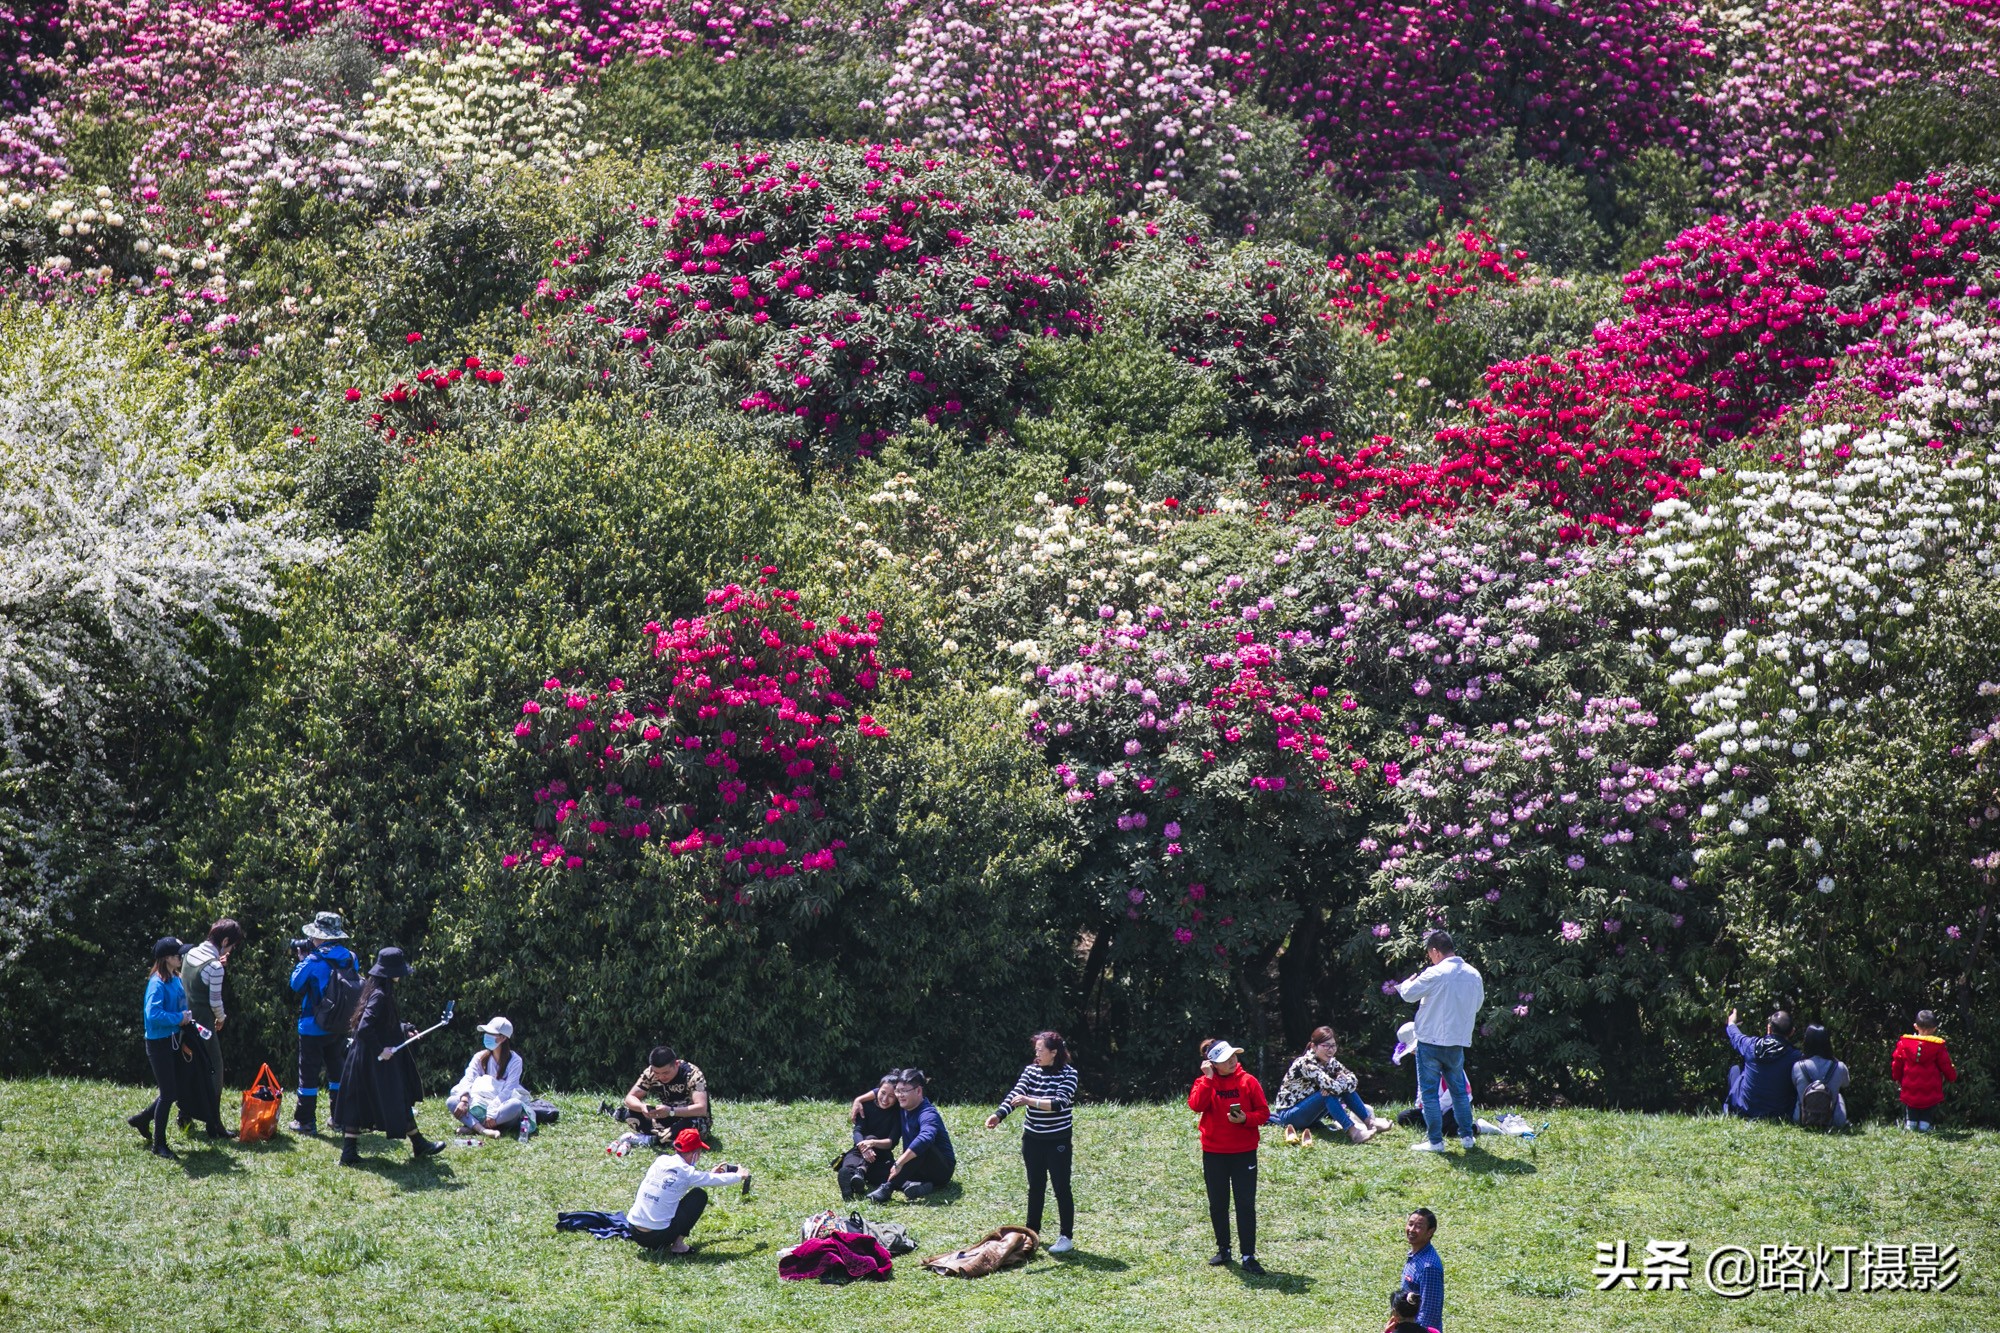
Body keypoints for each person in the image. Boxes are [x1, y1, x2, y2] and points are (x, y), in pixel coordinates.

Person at [329, 947, 446, 1165]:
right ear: (391, 971)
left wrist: (405, 1028)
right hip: (374, 1059)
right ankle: (418, 1143)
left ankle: (349, 1153)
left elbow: (383, 1025)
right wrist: (381, 1050)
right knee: (396, 1097)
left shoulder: (377, 991)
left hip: (363, 1057)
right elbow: (365, 1028)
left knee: (358, 1101)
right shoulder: (380, 995)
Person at [986, 1031, 1081, 1253]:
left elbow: (1059, 1103)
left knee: (1061, 1188)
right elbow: (1016, 1093)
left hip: (1058, 1141)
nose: (1036, 1054)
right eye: (1036, 1050)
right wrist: (999, 1114)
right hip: (1032, 1140)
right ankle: (1031, 1234)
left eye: (1040, 1050)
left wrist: (1029, 1101)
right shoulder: (1031, 1071)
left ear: (1054, 1053)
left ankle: (1066, 1237)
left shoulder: (1069, 1074)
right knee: (1035, 1187)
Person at [1395, 930, 1485, 1153]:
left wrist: (1407, 982)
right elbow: (1477, 1005)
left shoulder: (1434, 973)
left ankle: (1435, 1141)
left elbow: (1408, 995)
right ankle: (1467, 1138)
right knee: (1458, 1092)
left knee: (1429, 1093)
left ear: (1435, 951)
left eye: (1429, 954)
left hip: (1430, 1041)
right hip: (1457, 1041)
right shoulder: (1473, 974)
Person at [1187, 1038, 1269, 1275]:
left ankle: (1248, 1255)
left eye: (1233, 1056)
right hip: (1214, 1153)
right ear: (1212, 1064)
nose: (1232, 1061)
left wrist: (1245, 1119)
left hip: (1244, 1153)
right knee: (1218, 1203)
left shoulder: (1248, 1081)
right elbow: (1196, 1105)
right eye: (1225, 1060)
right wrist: (1208, 1080)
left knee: (1245, 1205)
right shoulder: (1205, 1082)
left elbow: (1263, 1113)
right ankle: (1224, 1250)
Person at [287, 911, 359, 1135]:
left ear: (320, 936)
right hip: (339, 1024)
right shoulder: (350, 957)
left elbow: (295, 985)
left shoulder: (312, 960)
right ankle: (338, 1119)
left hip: (312, 1025)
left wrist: (302, 961)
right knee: (337, 1071)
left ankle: (305, 1122)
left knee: (308, 1075)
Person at [629, 1127, 750, 1253]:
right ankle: (678, 1246)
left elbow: (683, 1180)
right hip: (656, 1237)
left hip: (633, 1229)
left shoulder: (661, 1160)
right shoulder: (688, 1173)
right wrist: (740, 1175)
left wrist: (710, 1174)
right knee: (699, 1196)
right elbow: (713, 1180)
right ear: (695, 1153)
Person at [127, 938, 195, 1158]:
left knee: (173, 1090)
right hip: (158, 1044)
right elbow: (152, 1015)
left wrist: (186, 1020)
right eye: (178, 955)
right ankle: (159, 1145)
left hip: (173, 1040)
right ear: (167, 958)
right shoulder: (156, 983)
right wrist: (179, 1018)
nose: (181, 958)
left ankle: (143, 1119)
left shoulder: (175, 978)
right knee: (168, 1094)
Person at [1270, 1026, 1392, 1144]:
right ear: (1314, 1046)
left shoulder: (1331, 1062)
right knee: (1327, 1094)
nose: (1330, 1049)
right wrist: (1339, 1082)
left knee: (1337, 1090)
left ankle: (1370, 1123)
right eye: (1325, 1045)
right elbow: (1333, 1087)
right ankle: (1353, 1132)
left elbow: (1353, 1080)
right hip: (1290, 1115)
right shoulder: (1306, 1064)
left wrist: (1339, 1083)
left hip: (1309, 1113)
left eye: (1333, 1045)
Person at [176, 919, 243, 1132]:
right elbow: (215, 1001)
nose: (231, 950)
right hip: (204, 1024)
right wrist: (222, 1018)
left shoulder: (190, 954)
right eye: (232, 945)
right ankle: (214, 1124)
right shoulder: (215, 967)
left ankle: (184, 1114)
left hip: (185, 1021)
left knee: (191, 1067)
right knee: (215, 1069)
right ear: (224, 941)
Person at [867, 1069, 955, 1202]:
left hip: (940, 1170)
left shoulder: (928, 1113)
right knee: (874, 1170)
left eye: (904, 1091)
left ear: (918, 1091)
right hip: (915, 1168)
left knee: (921, 1145)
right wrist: (858, 1100)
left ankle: (888, 1188)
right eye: (898, 1090)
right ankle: (916, 1185)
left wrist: (900, 1162)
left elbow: (926, 1138)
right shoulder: (903, 1105)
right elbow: (882, 1091)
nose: (899, 1095)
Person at [450, 1016, 535, 1141]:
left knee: (516, 1105)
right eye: (486, 1033)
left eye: (492, 1034)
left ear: (503, 1038)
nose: (487, 1036)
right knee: (452, 1100)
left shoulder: (515, 1060)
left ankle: (474, 1126)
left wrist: (492, 1112)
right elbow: (468, 1078)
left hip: (500, 1110)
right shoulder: (480, 1056)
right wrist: (464, 1100)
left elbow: (508, 1090)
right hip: (479, 1103)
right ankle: (484, 1130)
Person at [1392, 1022, 1476, 1138]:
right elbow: (1423, 1086)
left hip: (1453, 1105)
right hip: (1434, 1105)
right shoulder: (1422, 1061)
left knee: (1445, 1129)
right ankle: (1433, 1121)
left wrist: (1438, 1108)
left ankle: (1477, 1126)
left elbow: (1459, 1088)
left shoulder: (1442, 1057)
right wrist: (1421, 1106)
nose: (1414, 1052)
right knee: (1404, 1117)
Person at [617, 1045, 711, 1142]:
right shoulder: (650, 1073)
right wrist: (642, 1107)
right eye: (657, 1073)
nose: (661, 1077)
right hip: (666, 1117)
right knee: (631, 1115)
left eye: (666, 1073)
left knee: (695, 1124)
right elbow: (630, 1097)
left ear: (676, 1064)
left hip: (690, 1118)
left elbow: (701, 1108)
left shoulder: (693, 1074)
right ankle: (665, 1138)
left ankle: (655, 1138)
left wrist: (671, 1111)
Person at [1724, 1007, 1801, 1120]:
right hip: (1779, 1113)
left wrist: (1731, 1023)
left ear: (1768, 1029)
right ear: (1792, 1032)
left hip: (1746, 1111)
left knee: (1736, 1070)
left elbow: (1736, 1037)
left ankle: (1730, 1112)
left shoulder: (1751, 1046)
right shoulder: (1795, 1056)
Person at [837, 1073, 904, 1201]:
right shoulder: (867, 1106)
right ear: (878, 1090)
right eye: (883, 1093)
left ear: (896, 1098)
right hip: (859, 1150)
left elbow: (891, 1142)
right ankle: (855, 1179)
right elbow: (858, 1131)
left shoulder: (897, 1114)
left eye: (891, 1096)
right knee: (847, 1166)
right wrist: (864, 1148)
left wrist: (872, 1143)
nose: (885, 1099)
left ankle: (860, 1173)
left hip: (882, 1154)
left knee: (888, 1173)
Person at [1891, 1010, 1958, 1132]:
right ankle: (1924, 1125)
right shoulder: (1938, 1046)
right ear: (1934, 1028)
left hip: (1909, 1084)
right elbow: (1945, 1064)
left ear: (1915, 1026)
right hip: (1931, 1085)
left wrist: (1897, 1077)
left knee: (1911, 1103)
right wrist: (1951, 1077)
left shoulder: (1904, 1043)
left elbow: (1897, 1062)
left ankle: (1911, 1125)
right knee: (1929, 1104)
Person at [1790, 1024, 1850, 1129]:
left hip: (1801, 1119)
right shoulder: (1839, 1067)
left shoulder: (1798, 1067)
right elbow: (1846, 1084)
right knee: (1838, 1095)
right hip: (1834, 1121)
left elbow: (1794, 1086)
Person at [1398, 1208, 1445, 1331]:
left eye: (1418, 1226)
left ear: (1430, 1232)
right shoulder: (1415, 1256)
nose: (1412, 1230)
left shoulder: (1429, 1267)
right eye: (1410, 1224)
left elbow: (1429, 1312)